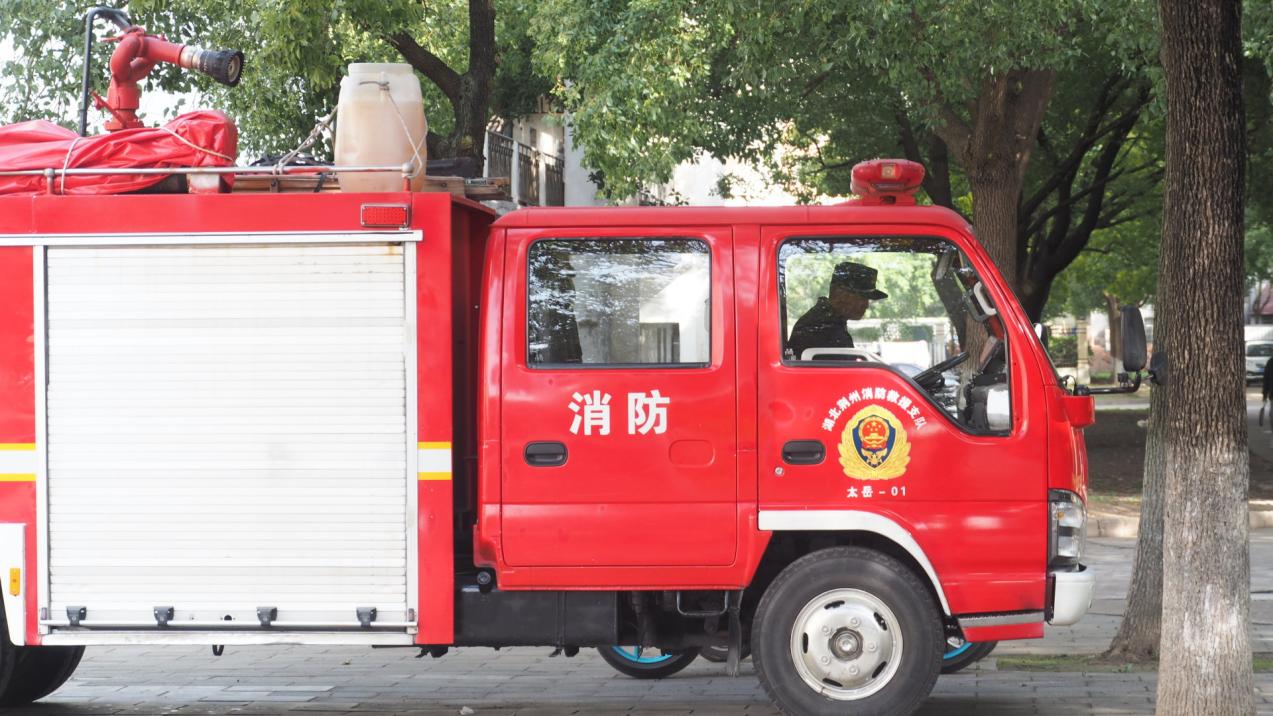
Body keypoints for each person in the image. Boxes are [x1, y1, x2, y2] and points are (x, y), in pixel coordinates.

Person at [787, 261, 887, 360]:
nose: (866, 305)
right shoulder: (824, 329)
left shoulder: (826, 321)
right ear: (838, 293)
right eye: (861, 297)